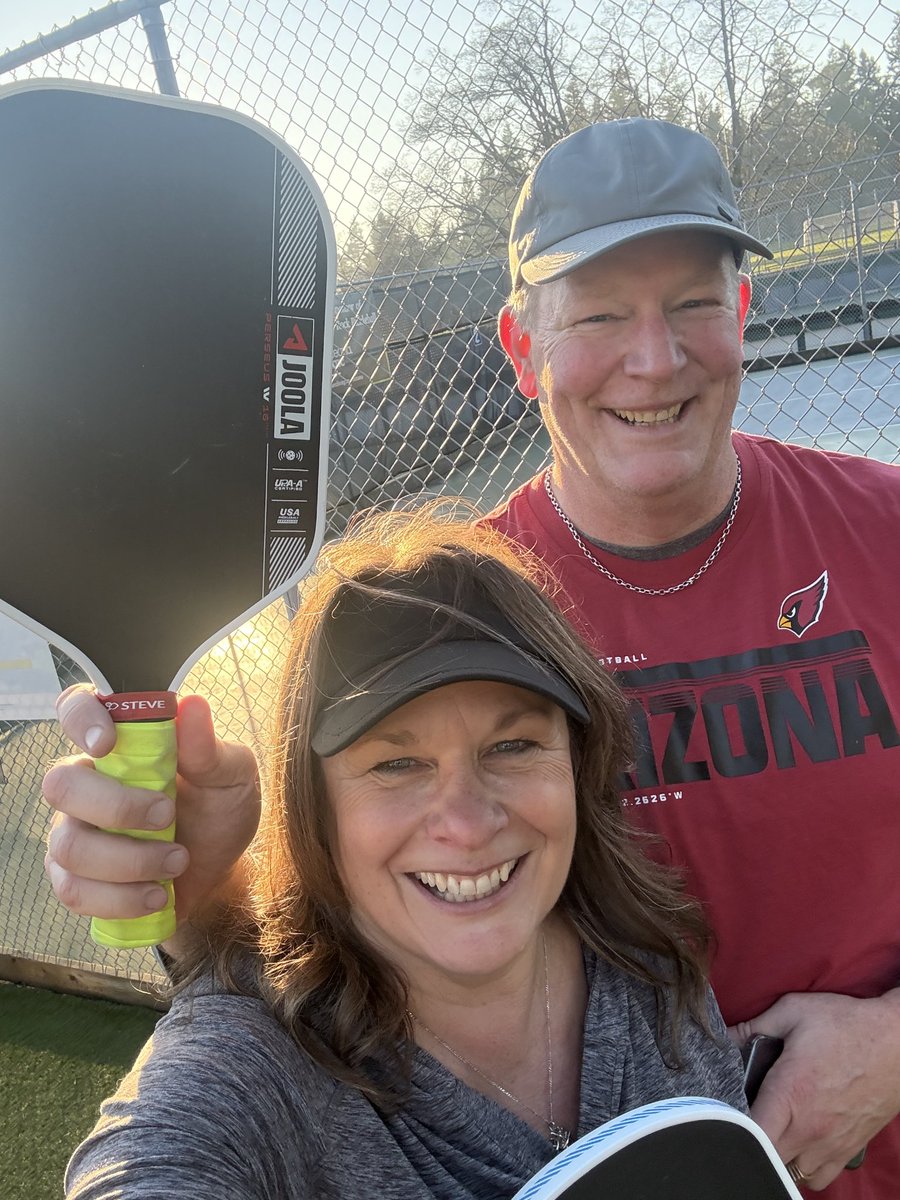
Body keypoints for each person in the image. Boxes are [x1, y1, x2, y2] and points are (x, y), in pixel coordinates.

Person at [45, 119, 900, 1195]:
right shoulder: (461, 618)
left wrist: (892, 1048)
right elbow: (296, 992)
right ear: (520, 347)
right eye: (597, 313)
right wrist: (207, 892)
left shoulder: (886, 531)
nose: (655, 356)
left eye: (692, 302)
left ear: (740, 313)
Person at [60, 508, 747, 1198]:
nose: (468, 824)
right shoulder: (266, 1063)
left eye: (512, 746)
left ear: (580, 760)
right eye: (397, 764)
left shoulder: (647, 970)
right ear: (317, 806)